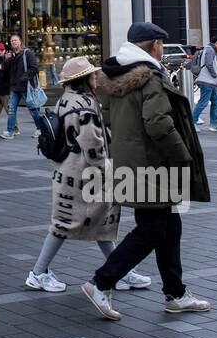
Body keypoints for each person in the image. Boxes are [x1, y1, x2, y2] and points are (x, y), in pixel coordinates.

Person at [80, 22, 210, 321]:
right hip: (154, 166)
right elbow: (159, 123)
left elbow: (109, 118)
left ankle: (175, 294)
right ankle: (101, 282)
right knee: (152, 229)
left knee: (170, 227)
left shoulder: (115, 77)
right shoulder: (150, 78)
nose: (163, 50)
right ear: (153, 45)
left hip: (131, 163)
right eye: (161, 44)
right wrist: (183, 155)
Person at [25, 58, 152, 294]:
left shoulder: (67, 98)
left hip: (69, 172)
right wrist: (107, 169)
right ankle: (38, 272)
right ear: (83, 79)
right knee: (65, 224)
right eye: (92, 75)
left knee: (98, 222)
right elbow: (93, 146)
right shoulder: (83, 106)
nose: (96, 77)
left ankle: (119, 269)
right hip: (84, 176)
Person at [1, 33, 42, 140]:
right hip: (14, 88)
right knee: (11, 110)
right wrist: (7, 60)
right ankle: (10, 131)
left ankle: (41, 129)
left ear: (20, 42)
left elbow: (34, 68)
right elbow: (5, 71)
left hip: (26, 87)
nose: (13, 42)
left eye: (15, 40)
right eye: (11, 41)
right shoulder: (12, 55)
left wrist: (23, 78)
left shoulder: (27, 53)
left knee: (33, 109)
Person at [191, 37, 217, 132]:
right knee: (203, 102)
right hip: (207, 81)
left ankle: (214, 124)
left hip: (209, 82)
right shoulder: (210, 50)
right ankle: (192, 123)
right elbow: (209, 64)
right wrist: (215, 75)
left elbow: (210, 64)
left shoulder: (209, 50)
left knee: (216, 101)